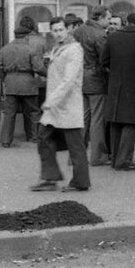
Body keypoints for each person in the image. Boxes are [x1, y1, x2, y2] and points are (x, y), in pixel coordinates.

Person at [32, 16, 89, 192]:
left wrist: (51, 101)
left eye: (60, 30)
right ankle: (50, 178)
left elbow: (69, 80)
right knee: (43, 137)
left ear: (68, 29)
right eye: (54, 30)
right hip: (55, 106)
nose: (57, 33)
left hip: (66, 104)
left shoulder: (74, 50)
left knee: (75, 145)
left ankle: (80, 182)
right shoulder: (58, 48)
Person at [101, 11, 135, 170]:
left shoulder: (112, 37)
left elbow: (103, 61)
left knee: (116, 121)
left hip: (115, 83)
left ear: (126, 22)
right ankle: (124, 160)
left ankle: (115, 158)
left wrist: (115, 71)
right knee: (131, 123)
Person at [0, 18, 47, 148]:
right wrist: (49, 74)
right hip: (28, 83)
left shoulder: (4, 49)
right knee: (34, 111)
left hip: (11, 83)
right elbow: (38, 68)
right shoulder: (30, 50)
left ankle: (6, 141)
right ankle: (34, 137)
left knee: (9, 113)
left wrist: (6, 79)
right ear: (26, 36)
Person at [73, 5, 113, 167]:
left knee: (83, 117)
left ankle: (75, 155)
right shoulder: (100, 35)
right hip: (96, 78)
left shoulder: (79, 30)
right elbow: (105, 59)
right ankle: (98, 156)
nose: (109, 22)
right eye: (108, 19)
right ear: (101, 18)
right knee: (97, 118)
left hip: (79, 76)